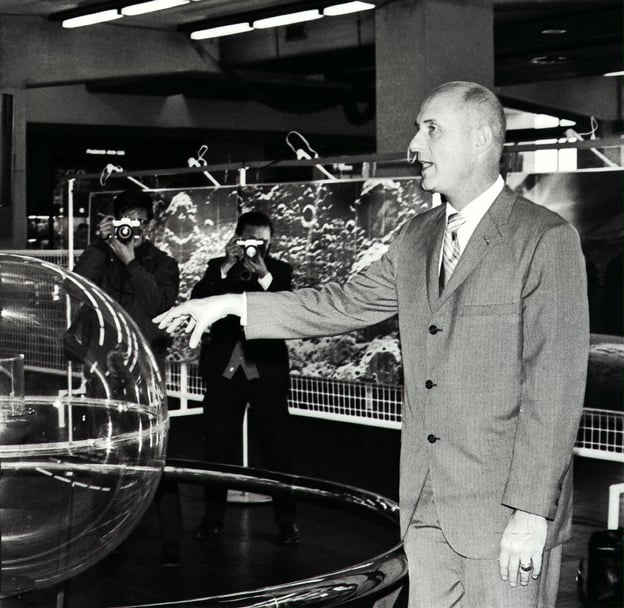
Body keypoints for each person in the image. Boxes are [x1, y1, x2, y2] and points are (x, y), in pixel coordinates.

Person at [156, 81, 587, 608]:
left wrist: (530, 512)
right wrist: (233, 305)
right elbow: (342, 302)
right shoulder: (418, 236)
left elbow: (555, 386)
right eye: (416, 130)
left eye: (431, 130)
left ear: (480, 140)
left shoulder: (543, 239)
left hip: (502, 516)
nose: (414, 146)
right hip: (425, 508)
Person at [74, 189, 183, 566]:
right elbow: (79, 288)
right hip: (103, 370)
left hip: (145, 368)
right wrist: (101, 246)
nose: (132, 228)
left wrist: (133, 262)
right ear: (116, 220)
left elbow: (159, 307)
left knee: (157, 453)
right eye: (126, 220)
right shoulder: (101, 255)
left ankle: (172, 542)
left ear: (149, 224)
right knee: (102, 451)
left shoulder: (163, 263)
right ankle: (98, 537)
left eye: (140, 221)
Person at [190, 211, 300, 545]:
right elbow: (199, 300)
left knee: (276, 448)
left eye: (262, 243)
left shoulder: (279, 270)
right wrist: (225, 266)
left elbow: (287, 306)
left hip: (265, 371)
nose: (255, 248)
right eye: (249, 240)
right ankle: (212, 521)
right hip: (224, 372)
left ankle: (286, 523)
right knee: (217, 449)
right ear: (237, 238)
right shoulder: (218, 267)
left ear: (270, 243)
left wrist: (264, 275)